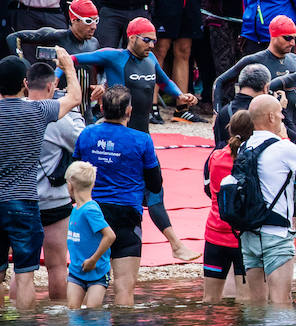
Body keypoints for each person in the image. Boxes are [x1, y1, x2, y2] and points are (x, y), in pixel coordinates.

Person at [73, 86, 190, 306]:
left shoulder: (87, 134)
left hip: (92, 213)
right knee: (124, 288)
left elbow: (75, 172)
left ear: (101, 107)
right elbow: (155, 184)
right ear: (129, 111)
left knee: (85, 282)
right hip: (127, 215)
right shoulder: (142, 140)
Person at [0, 52, 82, 310]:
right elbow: (75, 99)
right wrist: (67, 66)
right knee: (25, 276)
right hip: (25, 202)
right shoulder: (38, 110)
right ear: (25, 83)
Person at [239, 94, 296, 304]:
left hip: (249, 234)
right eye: (280, 113)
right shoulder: (283, 147)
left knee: (256, 304)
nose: (282, 117)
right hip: (277, 236)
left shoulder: (245, 146)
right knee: (281, 303)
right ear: (271, 117)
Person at [25, 61, 85, 301]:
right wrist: (74, 114)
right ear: (52, 86)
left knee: (23, 271)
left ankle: (20, 323)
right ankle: (58, 325)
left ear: (26, 84)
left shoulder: (11, 111)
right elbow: (79, 144)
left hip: (20, 199)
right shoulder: (58, 117)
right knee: (58, 265)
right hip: (54, 200)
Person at [74, 17, 198, 132]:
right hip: (119, 131)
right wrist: (57, 76)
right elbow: (71, 58)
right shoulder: (114, 56)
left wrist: (180, 95)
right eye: (146, 40)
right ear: (132, 38)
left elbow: (164, 82)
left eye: (154, 41)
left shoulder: (151, 58)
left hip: (143, 131)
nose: (151, 45)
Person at [202, 109, 251, 303]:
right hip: (242, 237)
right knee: (246, 300)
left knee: (210, 300)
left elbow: (209, 189)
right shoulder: (251, 159)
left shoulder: (216, 157)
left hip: (214, 233)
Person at [212, 14, 296, 110]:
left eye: (294, 38)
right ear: (273, 36)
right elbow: (220, 81)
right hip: (263, 118)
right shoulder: (254, 60)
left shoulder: (294, 59)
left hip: (289, 121)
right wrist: (217, 112)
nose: (292, 43)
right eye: (287, 38)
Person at [63, 160, 115, 310]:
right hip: (76, 271)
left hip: (97, 272)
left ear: (70, 185)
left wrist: (93, 260)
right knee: (73, 310)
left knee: (93, 312)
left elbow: (110, 236)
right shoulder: (75, 209)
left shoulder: (90, 210)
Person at [5, 0, 100, 59]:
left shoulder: (94, 43)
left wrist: (100, 85)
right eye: (88, 21)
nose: (94, 27)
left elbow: (102, 71)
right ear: (74, 20)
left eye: (96, 21)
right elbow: (13, 37)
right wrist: (22, 63)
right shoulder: (55, 37)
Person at [214, 63, 271, 147]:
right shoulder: (265, 113)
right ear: (266, 88)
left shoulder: (224, 112)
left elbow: (218, 144)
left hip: (226, 158)